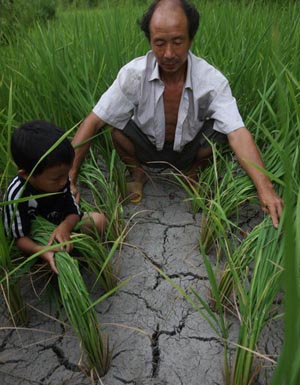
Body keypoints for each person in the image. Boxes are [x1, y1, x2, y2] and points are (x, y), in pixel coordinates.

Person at [70, 0, 283, 227]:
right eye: (159, 43)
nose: (169, 53)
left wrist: (266, 188)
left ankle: (193, 174)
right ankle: (137, 173)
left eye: (178, 42)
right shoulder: (133, 75)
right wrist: (69, 177)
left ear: (191, 39)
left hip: (190, 151)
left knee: (219, 132)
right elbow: (93, 122)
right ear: (150, 41)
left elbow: (237, 133)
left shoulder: (211, 80)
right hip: (146, 148)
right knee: (116, 125)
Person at [3, 120, 107, 274]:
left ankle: (80, 257)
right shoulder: (16, 196)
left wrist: (65, 227)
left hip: (64, 231)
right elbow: (20, 239)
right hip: (40, 243)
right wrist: (41, 250)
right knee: (51, 265)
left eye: (66, 174)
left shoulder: (62, 180)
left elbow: (74, 213)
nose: (65, 181)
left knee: (99, 221)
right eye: (56, 178)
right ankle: (58, 262)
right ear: (26, 175)